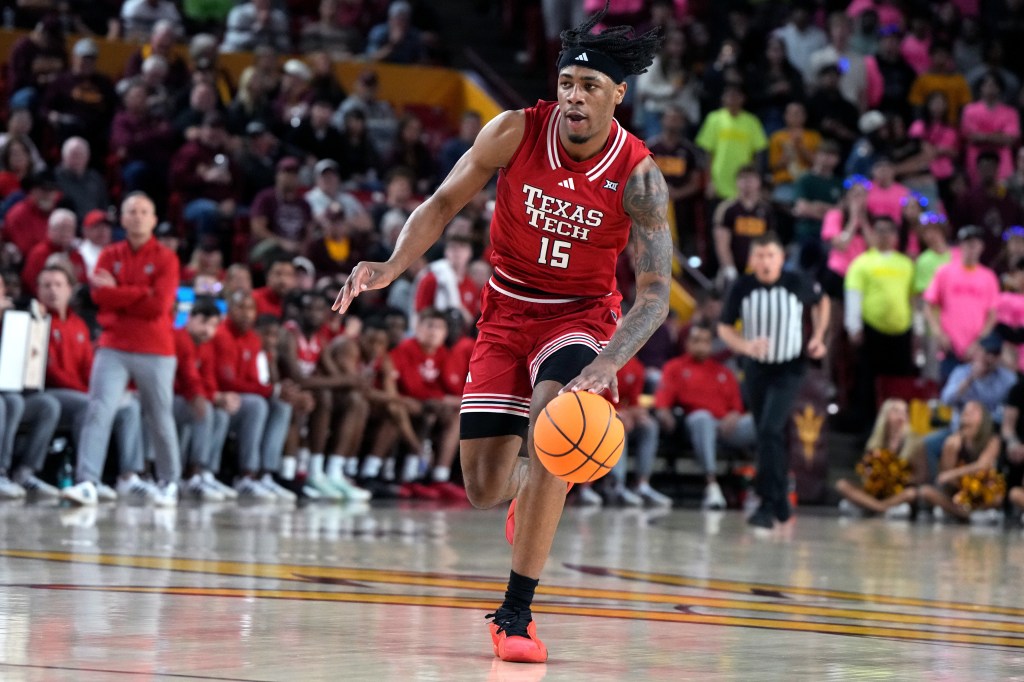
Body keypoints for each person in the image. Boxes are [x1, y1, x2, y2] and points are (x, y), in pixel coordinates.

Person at [333, 5, 669, 663]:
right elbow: (441, 204)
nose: (574, 95)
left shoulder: (639, 175)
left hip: (578, 319)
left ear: (617, 95)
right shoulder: (514, 130)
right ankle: (534, 489)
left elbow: (654, 294)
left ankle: (515, 614)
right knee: (483, 487)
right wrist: (390, 263)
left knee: (555, 420)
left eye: (590, 87)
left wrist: (608, 360)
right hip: (506, 312)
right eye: (568, 82)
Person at [60, 193, 181, 507]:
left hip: (156, 348)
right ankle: (87, 481)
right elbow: (99, 297)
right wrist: (138, 293)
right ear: (123, 219)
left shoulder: (167, 258)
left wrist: (119, 292)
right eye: (132, 211)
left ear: (153, 220)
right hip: (113, 345)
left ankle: (169, 482)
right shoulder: (109, 254)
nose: (138, 216)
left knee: (160, 416)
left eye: (144, 211)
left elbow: (160, 305)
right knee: (98, 409)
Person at [717, 232, 829, 529]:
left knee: (768, 429)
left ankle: (767, 502)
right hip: (756, 368)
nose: (765, 261)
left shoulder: (796, 282)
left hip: (790, 367)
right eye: (760, 256)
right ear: (752, 259)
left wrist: (818, 337)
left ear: (781, 258)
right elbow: (725, 328)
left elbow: (822, 302)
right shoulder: (742, 286)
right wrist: (744, 347)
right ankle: (780, 498)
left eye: (771, 255)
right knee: (768, 433)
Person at [655, 322, 756, 510]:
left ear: (711, 344)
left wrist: (734, 416)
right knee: (703, 418)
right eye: (696, 341)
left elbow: (736, 407)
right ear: (687, 343)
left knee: (761, 422)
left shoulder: (723, 372)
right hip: (692, 425)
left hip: (725, 427)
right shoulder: (675, 368)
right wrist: (664, 414)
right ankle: (712, 485)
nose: (701, 345)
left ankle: (759, 485)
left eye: (705, 341)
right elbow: (662, 402)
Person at [923, 225, 1000, 382]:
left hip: (976, 350)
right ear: (960, 246)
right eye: (967, 243)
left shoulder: (988, 276)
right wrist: (939, 334)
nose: (971, 248)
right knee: (946, 392)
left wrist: (980, 342)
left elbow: (992, 315)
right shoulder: (944, 272)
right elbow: (929, 306)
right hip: (948, 346)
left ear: (981, 247)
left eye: (975, 243)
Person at [919, 400, 1003, 522]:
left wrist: (954, 474)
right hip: (958, 489)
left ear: (984, 417)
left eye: (974, 410)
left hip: (982, 489)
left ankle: (965, 512)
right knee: (925, 492)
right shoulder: (952, 442)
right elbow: (945, 475)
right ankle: (967, 514)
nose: (968, 412)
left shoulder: (992, 439)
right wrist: (956, 479)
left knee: (998, 497)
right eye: (966, 410)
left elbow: (983, 465)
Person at [834, 398, 920, 516]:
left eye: (904, 412)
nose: (901, 416)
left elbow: (920, 477)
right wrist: (875, 475)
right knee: (841, 484)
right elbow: (865, 473)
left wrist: (895, 476)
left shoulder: (914, 442)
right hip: (874, 492)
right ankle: (881, 508)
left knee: (911, 493)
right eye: (896, 411)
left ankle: (870, 507)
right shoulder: (875, 442)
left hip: (897, 493)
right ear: (885, 415)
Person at [712, 165, 777, 287]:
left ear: (758, 182)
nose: (747, 183)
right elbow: (721, 244)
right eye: (743, 179)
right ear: (737, 182)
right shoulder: (727, 209)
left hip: (757, 270)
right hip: (734, 269)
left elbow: (770, 241)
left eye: (751, 179)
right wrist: (729, 269)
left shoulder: (766, 210)